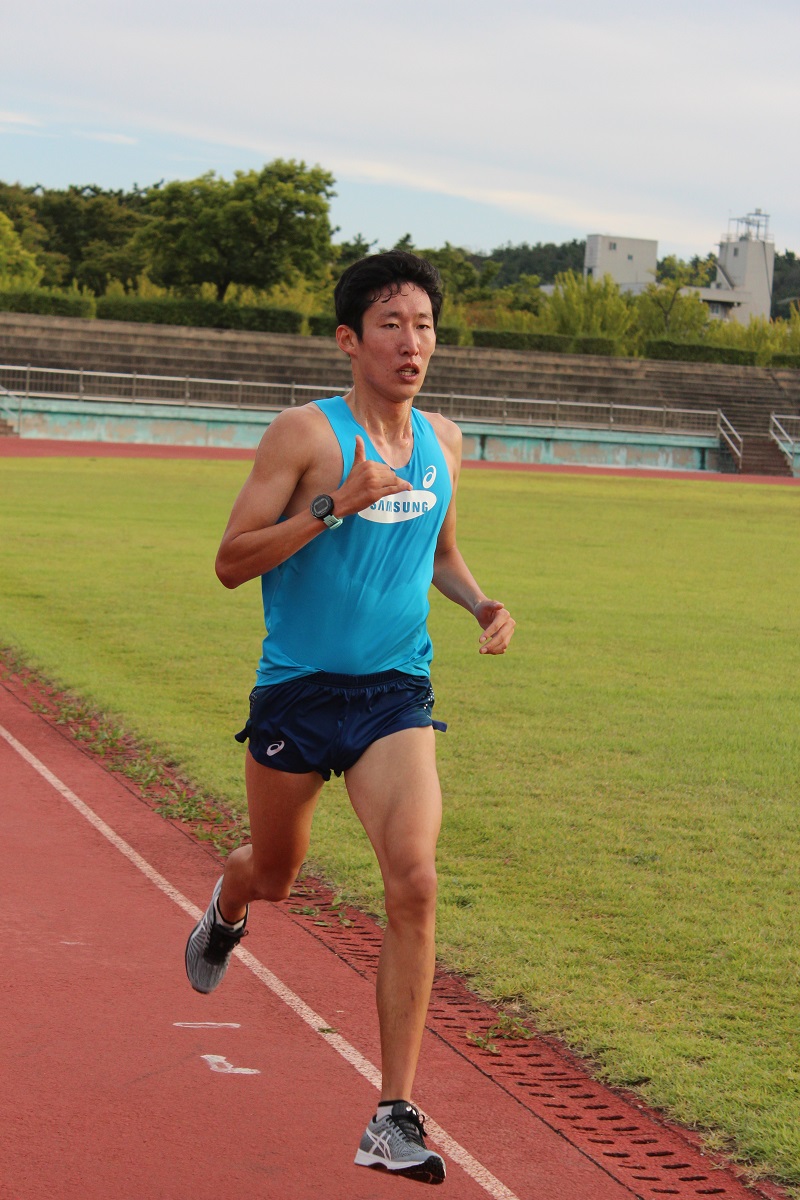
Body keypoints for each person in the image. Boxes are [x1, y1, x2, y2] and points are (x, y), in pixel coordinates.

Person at [185, 250, 515, 1185]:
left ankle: (391, 1114)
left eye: (425, 326)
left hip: (392, 696)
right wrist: (335, 504)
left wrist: (482, 604)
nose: (413, 344)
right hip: (297, 692)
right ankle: (228, 904)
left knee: (413, 878)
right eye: (391, 326)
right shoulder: (305, 436)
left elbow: (440, 551)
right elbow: (231, 561)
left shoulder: (444, 442)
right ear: (349, 339)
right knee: (277, 872)